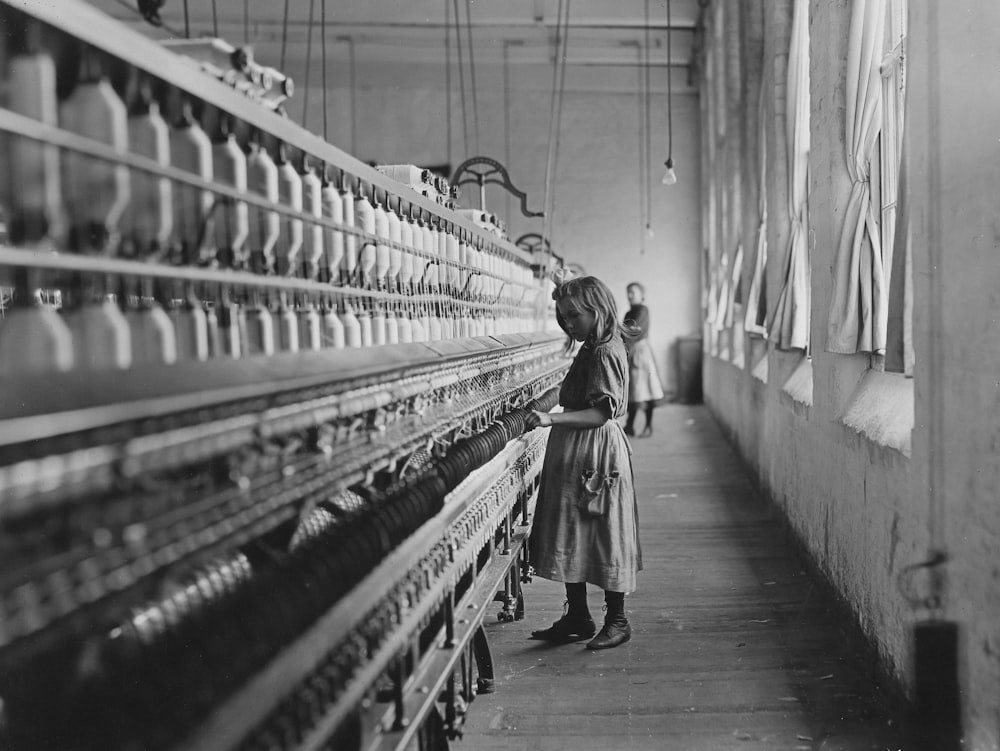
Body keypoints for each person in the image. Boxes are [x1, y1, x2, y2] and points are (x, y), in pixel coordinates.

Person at [525, 275, 643, 650]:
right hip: (578, 450)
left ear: (598, 310)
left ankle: (618, 620)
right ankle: (577, 615)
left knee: (604, 531)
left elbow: (599, 414)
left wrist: (549, 418)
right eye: (562, 317)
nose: (568, 325)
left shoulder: (606, 350)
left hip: (595, 449)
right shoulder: (593, 345)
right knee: (572, 528)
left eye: (574, 316)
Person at [623, 282, 664, 437]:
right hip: (633, 352)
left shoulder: (642, 310)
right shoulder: (629, 313)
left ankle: (648, 426)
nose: (630, 295)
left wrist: (621, 335)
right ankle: (630, 425)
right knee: (634, 390)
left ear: (642, 295)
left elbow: (634, 331)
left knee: (647, 390)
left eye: (633, 292)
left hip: (641, 353)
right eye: (628, 292)